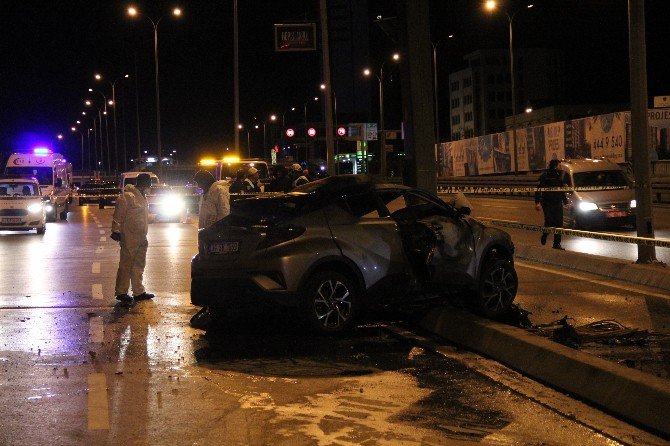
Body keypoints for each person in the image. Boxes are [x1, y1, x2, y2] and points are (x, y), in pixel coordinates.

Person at [111, 173, 154, 303]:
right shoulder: (128, 196)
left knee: (139, 264)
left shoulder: (142, 197)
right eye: (148, 183)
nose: (149, 186)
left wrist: (152, 219)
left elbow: (141, 217)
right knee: (126, 264)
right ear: (144, 184)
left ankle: (138, 291)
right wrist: (116, 230)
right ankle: (121, 292)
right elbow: (118, 215)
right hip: (129, 237)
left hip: (141, 236)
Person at [535, 159, 568, 250]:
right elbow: (538, 190)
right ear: (555, 166)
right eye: (559, 166)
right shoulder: (545, 176)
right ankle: (545, 235)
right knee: (549, 222)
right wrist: (537, 202)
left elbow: (561, 191)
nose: (560, 167)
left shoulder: (559, 177)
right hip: (547, 203)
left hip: (557, 203)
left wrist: (565, 202)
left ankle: (556, 244)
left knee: (559, 224)